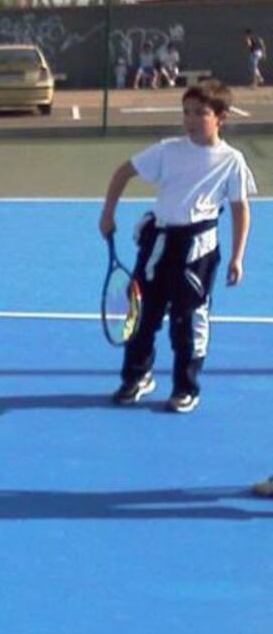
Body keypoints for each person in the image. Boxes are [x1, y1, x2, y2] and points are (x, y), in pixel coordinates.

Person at [99, 80, 255, 413]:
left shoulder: (232, 161)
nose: (191, 119)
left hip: (199, 250)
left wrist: (238, 257)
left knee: (188, 319)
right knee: (142, 314)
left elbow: (241, 210)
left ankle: (186, 387)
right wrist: (107, 213)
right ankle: (137, 376)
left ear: (221, 117)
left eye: (201, 113)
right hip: (158, 244)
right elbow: (122, 173)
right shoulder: (167, 150)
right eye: (187, 112)